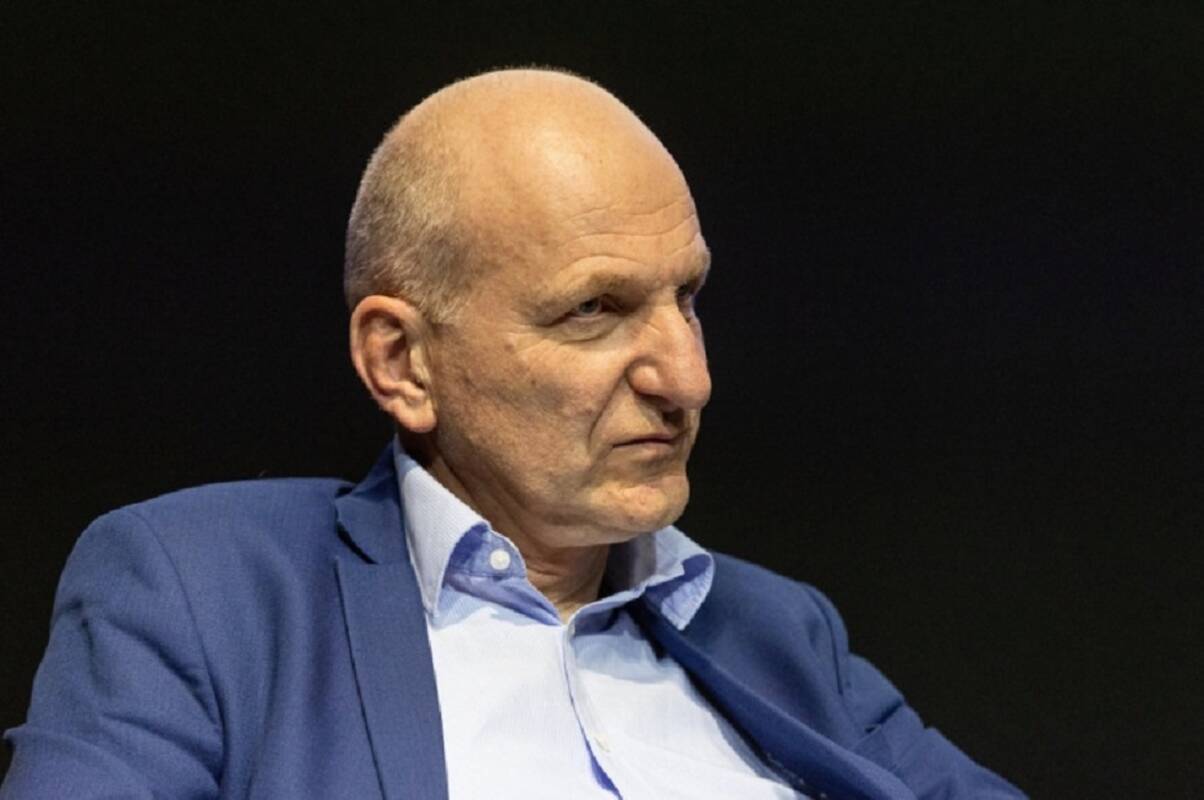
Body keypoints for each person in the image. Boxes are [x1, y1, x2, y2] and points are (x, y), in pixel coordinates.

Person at [1, 69, 1024, 799]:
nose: (687, 379)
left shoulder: (778, 631)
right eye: (594, 311)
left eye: (687, 297)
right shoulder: (206, 593)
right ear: (403, 362)